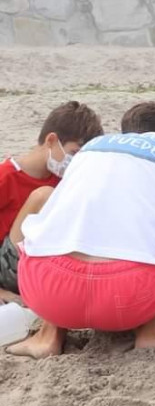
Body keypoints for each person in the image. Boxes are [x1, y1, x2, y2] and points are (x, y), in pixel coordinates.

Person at [5, 102, 155, 359]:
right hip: (126, 299)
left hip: (47, 294)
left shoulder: (93, 149)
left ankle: (48, 335)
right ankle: (151, 331)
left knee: (72, 220)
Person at [0, 101, 103, 304]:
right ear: (51, 140)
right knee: (44, 196)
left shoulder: (61, 177)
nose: (76, 162)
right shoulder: (6, 177)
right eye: (74, 153)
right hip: (9, 263)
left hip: (44, 257)